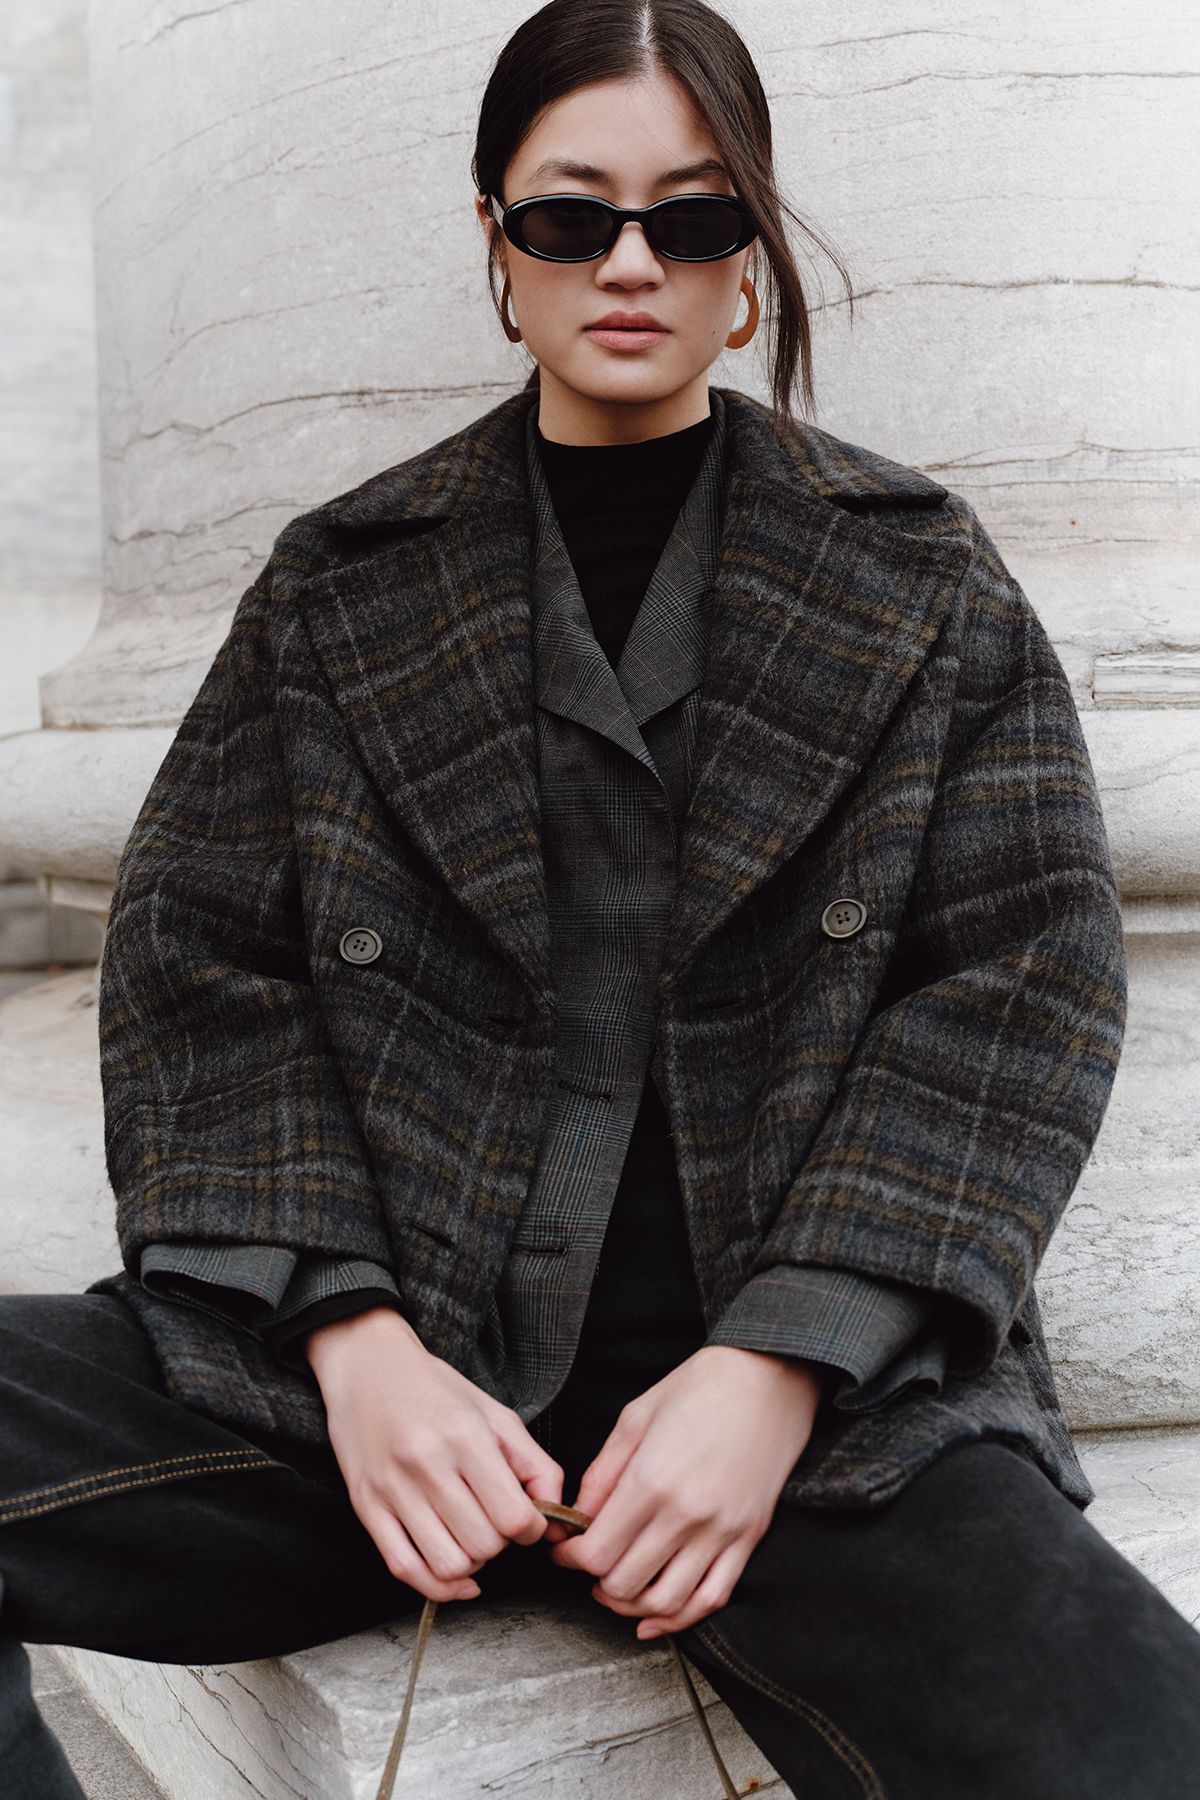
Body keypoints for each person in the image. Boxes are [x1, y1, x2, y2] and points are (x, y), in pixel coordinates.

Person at [4, 4, 1199, 1796]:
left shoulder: (921, 576)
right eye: (571, 217)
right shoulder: (337, 586)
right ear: (498, 242)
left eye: (692, 218)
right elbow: (201, 974)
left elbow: (1022, 991)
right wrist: (353, 1342)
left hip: (804, 1434)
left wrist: (781, 1364)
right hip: (372, 1411)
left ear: (750, 255)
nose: (629, 265)